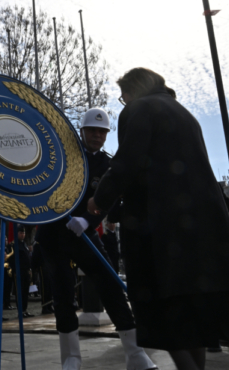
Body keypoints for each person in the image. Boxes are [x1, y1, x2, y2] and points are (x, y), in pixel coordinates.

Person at [89, 68, 229, 370]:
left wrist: (99, 200)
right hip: (200, 227)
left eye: (123, 96)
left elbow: (128, 161)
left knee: (165, 312)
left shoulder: (139, 109)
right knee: (192, 317)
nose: (123, 102)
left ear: (132, 90)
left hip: (162, 227)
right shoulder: (183, 112)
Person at [40, 107, 157, 370]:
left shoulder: (107, 164)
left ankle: (135, 353)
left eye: (102, 132)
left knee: (111, 285)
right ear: (82, 131)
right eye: (92, 130)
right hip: (53, 234)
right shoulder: (61, 155)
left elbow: (108, 199)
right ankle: (71, 357)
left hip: (85, 232)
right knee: (62, 295)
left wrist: (86, 220)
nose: (97, 135)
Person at [8, 226, 33, 318]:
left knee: (26, 292)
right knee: (20, 292)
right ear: (17, 233)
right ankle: (20, 311)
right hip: (19, 271)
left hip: (26, 271)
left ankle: (24, 310)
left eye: (23, 233)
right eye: (21, 233)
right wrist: (15, 269)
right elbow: (11, 259)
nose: (22, 235)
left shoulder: (24, 244)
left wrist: (29, 268)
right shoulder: (14, 245)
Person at [31, 241, 55, 315]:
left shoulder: (49, 243)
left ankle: (49, 305)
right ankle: (45, 307)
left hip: (49, 266)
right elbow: (35, 257)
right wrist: (35, 268)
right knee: (45, 287)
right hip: (43, 267)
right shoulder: (38, 245)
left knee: (50, 287)